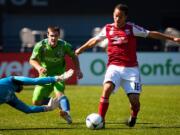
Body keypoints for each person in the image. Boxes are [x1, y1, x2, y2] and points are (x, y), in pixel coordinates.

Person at [75, 4, 180, 128]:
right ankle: (101, 120)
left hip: (131, 70)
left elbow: (151, 34)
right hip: (113, 67)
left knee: (134, 101)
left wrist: (172, 38)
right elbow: (95, 40)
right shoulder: (108, 28)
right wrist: (81, 49)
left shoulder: (132, 28)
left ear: (126, 17)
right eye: (115, 16)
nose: (117, 19)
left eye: (120, 16)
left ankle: (134, 116)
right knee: (106, 89)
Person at [29, 26, 83, 124]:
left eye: (56, 36)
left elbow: (74, 55)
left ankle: (67, 114)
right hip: (45, 77)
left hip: (59, 75)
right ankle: (55, 103)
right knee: (36, 102)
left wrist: (78, 69)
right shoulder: (40, 45)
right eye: (52, 36)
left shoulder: (64, 45)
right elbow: (32, 60)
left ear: (59, 36)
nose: (54, 38)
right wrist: (39, 68)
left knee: (60, 94)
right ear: (47, 35)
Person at [0, 69, 74, 114]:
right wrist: (58, 78)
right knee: (34, 81)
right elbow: (35, 81)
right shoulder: (10, 80)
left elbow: (27, 109)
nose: (23, 87)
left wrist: (48, 108)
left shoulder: (11, 97)